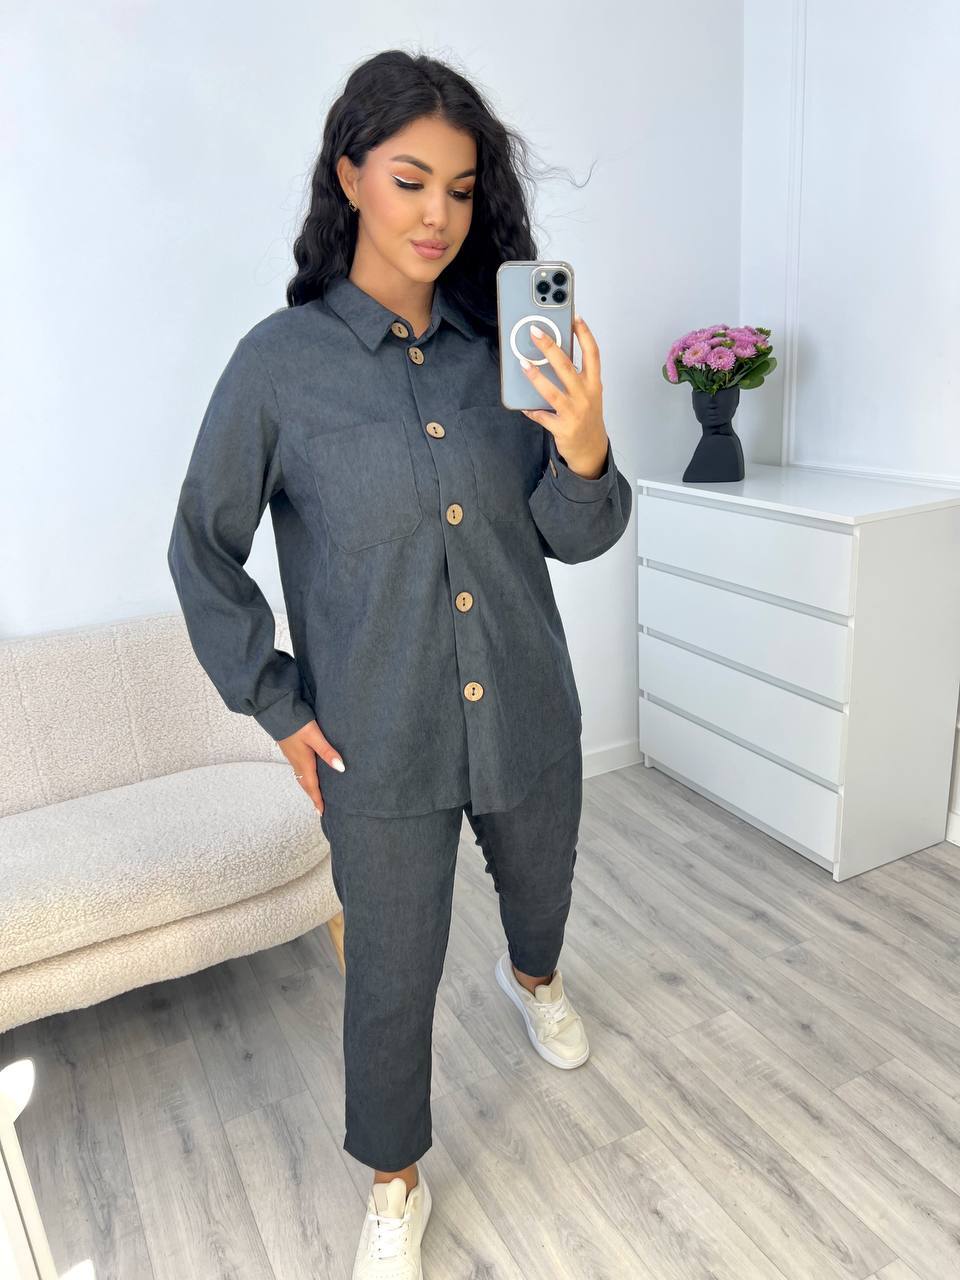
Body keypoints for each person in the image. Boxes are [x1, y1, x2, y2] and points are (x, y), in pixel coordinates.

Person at [167, 47, 632, 1280]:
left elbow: (577, 535)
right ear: (350, 178)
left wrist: (585, 447)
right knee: (388, 972)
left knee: (541, 889)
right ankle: (394, 1181)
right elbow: (201, 547)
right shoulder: (279, 365)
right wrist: (276, 703)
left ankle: (534, 976)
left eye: (462, 189)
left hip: (525, 702)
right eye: (411, 179)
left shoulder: (507, 351)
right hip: (376, 737)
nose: (439, 214)